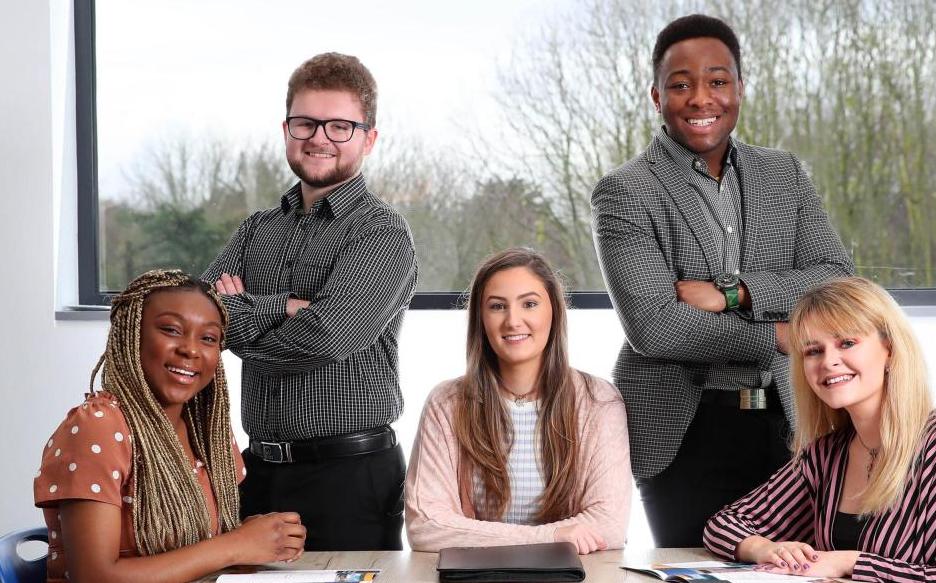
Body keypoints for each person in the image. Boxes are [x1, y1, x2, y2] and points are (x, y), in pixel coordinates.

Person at [590, 14, 854, 546]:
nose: (700, 98)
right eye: (680, 84)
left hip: (792, 417)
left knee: (797, 568)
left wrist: (734, 292)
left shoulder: (785, 175)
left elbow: (835, 280)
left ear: (739, 88)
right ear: (655, 95)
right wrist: (777, 334)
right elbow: (655, 327)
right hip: (682, 429)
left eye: (717, 81)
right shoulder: (624, 192)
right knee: (694, 571)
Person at [202, 53, 418, 551]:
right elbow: (201, 322)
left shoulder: (382, 233)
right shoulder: (255, 230)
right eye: (306, 122)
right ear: (286, 130)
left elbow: (326, 337)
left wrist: (244, 319)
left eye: (340, 126)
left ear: (368, 139)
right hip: (255, 473)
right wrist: (287, 307)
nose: (319, 137)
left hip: (351, 477)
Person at [704, 277, 936, 582]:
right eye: (813, 351)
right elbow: (724, 525)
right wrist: (766, 548)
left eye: (847, 343)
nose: (829, 362)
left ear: (890, 350)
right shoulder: (827, 454)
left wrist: (849, 562)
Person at [33, 270, 306, 583]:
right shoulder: (99, 426)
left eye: (208, 338)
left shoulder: (208, 431)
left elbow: (204, 547)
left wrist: (255, 538)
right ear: (132, 335)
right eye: (171, 330)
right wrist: (236, 545)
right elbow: (95, 577)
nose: (190, 349)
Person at [405, 248, 631, 554]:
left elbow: (609, 526)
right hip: (479, 575)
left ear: (554, 311)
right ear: (480, 319)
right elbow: (426, 526)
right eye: (498, 306)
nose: (513, 320)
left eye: (530, 304)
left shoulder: (598, 401)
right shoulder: (446, 403)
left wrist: (479, 537)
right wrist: (552, 537)